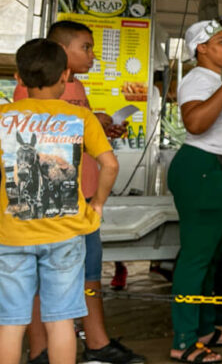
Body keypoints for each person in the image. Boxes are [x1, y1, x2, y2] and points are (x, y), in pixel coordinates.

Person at [14, 21, 142, 364]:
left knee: (86, 273)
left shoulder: (75, 87)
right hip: (57, 205)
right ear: (60, 53)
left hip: (77, 198)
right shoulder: (42, 91)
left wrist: (98, 125)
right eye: (85, 47)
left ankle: (95, 342)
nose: (92, 54)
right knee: (53, 282)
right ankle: (44, 350)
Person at [167, 20, 222, 363]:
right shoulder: (199, 79)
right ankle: (184, 341)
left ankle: (204, 328)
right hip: (204, 171)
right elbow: (196, 123)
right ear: (201, 48)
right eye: (220, 42)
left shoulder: (213, 81)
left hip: (218, 172)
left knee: (211, 257)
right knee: (196, 258)